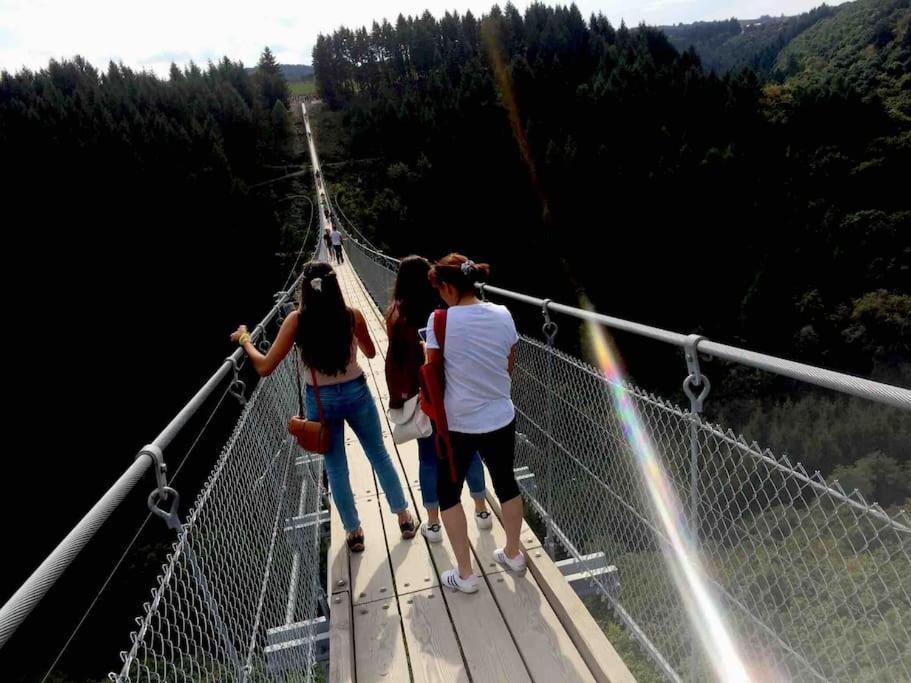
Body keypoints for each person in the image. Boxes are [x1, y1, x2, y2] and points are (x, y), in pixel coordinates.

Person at [231, 260, 415, 552]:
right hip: (356, 393)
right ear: (335, 285)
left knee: (336, 466)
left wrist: (245, 340)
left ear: (305, 288)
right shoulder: (351, 315)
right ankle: (404, 517)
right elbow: (369, 351)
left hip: (321, 400)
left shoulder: (296, 320)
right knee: (378, 454)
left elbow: (265, 367)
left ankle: (354, 532)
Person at [425, 253, 524, 593]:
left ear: (450, 288)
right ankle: (513, 553)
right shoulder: (503, 314)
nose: (440, 295)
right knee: (506, 482)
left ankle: (465, 575)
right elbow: (508, 363)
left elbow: (433, 373)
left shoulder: (441, 321)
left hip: (459, 423)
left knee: (448, 493)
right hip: (501, 415)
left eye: (440, 288)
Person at [385, 256, 493, 544]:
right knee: (466, 451)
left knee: (429, 458)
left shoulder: (395, 316)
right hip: (452, 391)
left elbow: (396, 363)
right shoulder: (445, 309)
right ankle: (482, 510)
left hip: (423, 399)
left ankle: (433, 524)